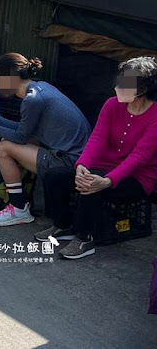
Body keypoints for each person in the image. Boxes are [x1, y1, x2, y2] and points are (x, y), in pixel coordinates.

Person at [38, 57, 157, 260]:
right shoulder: (112, 104)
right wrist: (82, 165)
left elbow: (140, 156)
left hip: (137, 178)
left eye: (126, 83)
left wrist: (108, 181)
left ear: (143, 88)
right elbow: (98, 138)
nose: (119, 86)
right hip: (102, 167)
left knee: (91, 187)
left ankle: (84, 238)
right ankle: (63, 225)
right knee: (55, 175)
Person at [0, 53, 91, 227]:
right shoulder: (40, 87)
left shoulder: (32, 100)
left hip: (69, 163)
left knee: (3, 148)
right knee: (9, 141)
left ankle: (18, 208)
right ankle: (4, 195)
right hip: (74, 157)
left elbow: (20, 136)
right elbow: (23, 129)